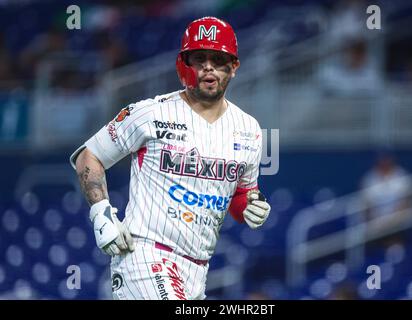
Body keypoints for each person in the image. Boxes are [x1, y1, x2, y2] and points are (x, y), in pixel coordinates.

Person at [69, 16, 271, 300]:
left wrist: (251, 207)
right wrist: (101, 214)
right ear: (184, 65)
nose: (209, 66)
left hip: (197, 271)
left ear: (234, 67)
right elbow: (89, 156)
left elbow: (241, 197)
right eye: (199, 58)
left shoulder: (250, 129)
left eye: (218, 58)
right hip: (144, 256)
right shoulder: (150, 113)